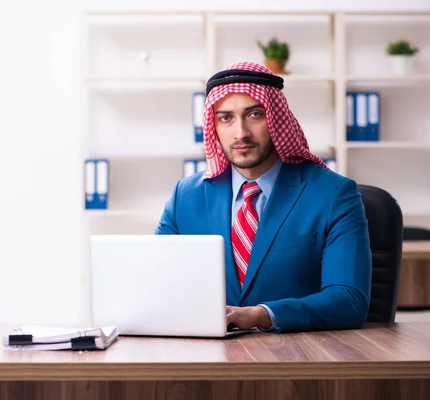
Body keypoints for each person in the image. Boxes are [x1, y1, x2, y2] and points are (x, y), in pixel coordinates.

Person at [154, 61, 372, 333]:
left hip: (300, 360)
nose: (241, 132)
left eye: (255, 115)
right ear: (214, 126)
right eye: (226, 118)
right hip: (207, 359)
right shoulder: (185, 197)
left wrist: (262, 315)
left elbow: (349, 301)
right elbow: (158, 286)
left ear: (277, 119)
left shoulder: (334, 194)